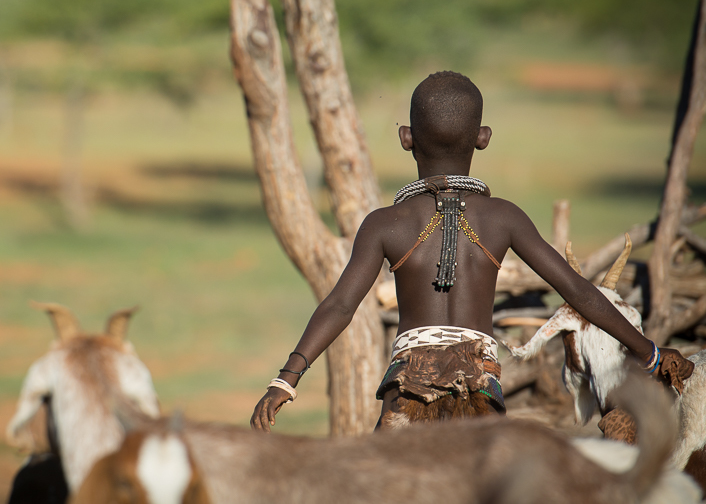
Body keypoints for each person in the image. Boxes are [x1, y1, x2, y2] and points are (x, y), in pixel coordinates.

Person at [250, 70, 692, 432]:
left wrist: (285, 381)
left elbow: (341, 304)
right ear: (483, 137)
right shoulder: (504, 218)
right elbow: (578, 291)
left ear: (406, 137)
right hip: (480, 384)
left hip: (405, 389)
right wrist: (650, 352)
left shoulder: (385, 224)